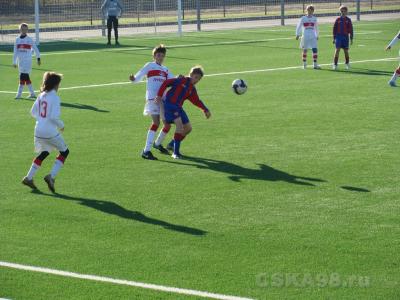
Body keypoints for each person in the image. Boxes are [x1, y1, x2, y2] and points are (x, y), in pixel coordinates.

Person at [22, 72, 70, 193]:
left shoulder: (41, 95)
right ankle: (51, 177)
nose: (59, 86)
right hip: (49, 131)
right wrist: (61, 125)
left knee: (45, 152)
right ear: (55, 85)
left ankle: (28, 177)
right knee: (65, 151)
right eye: (59, 84)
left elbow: (32, 112)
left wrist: (41, 120)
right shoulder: (55, 97)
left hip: (38, 130)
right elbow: (54, 117)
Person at [129, 45, 175, 160]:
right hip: (152, 99)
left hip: (163, 100)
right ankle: (146, 151)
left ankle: (157, 144)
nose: (160, 57)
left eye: (162, 55)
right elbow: (139, 75)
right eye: (158, 55)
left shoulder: (165, 69)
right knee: (156, 123)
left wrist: (181, 79)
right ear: (154, 56)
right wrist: (134, 78)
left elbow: (173, 81)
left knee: (167, 124)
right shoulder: (149, 65)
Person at [155, 66, 211, 159]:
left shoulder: (192, 89)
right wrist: (159, 95)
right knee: (179, 126)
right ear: (191, 75)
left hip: (178, 108)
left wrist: (205, 109)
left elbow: (196, 101)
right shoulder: (181, 80)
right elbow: (166, 83)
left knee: (188, 128)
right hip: (170, 106)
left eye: (199, 79)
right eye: (196, 77)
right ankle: (175, 153)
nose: (197, 80)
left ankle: (172, 144)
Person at [13, 23, 41, 100]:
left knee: (23, 76)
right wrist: (14, 62)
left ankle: (19, 94)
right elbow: (15, 52)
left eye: (25, 29)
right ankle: (32, 93)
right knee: (25, 77)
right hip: (20, 62)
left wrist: (38, 58)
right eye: (22, 29)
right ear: (20, 30)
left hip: (27, 62)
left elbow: (36, 49)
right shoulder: (17, 40)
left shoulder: (29, 39)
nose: (24, 30)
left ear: (27, 30)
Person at [296, 5, 320, 69]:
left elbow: (316, 27)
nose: (309, 11)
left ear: (313, 11)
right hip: (305, 34)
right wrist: (297, 34)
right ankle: (304, 64)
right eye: (308, 10)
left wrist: (317, 35)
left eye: (310, 10)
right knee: (305, 49)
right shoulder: (303, 18)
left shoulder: (314, 18)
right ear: (306, 10)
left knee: (314, 49)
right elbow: (299, 26)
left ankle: (315, 64)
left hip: (312, 34)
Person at [332, 6, 353, 70]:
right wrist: (334, 38)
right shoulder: (338, 19)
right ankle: (335, 64)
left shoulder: (348, 20)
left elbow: (351, 29)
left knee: (346, 51)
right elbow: (334, 29)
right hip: (338, 37)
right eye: (341, 11)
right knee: (337, 50)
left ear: (346, 12)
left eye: (344, 11)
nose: (343, 12)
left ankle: (347, 63)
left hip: (345, 37)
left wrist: (351, 38)